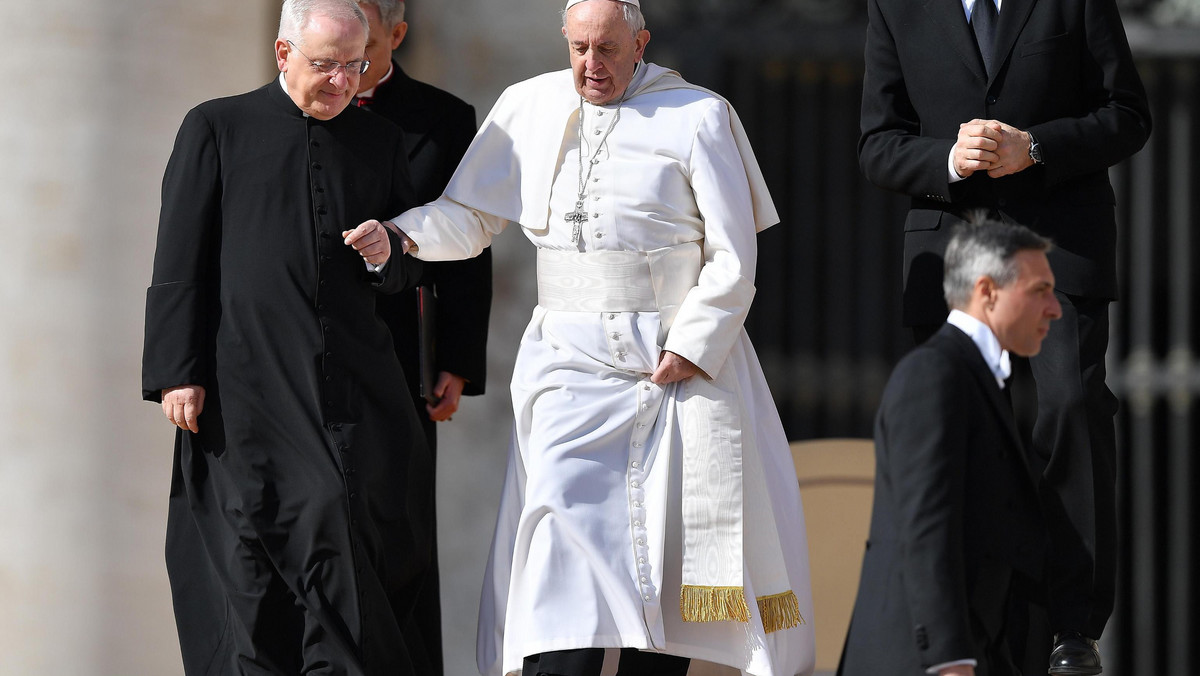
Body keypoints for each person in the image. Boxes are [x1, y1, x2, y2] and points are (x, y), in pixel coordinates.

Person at [359, 1, 816, 674]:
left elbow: (733, 256)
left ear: (641, 44)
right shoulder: (527, 105)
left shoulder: (698, 114)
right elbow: (470, 217)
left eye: (606, 50)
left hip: (671, 367)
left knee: (662, 564)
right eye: (578, 49)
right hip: (566, 369)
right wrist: (400, 235)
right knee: (559, 537)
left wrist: (691, 343)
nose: (590, 66)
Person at [858, 0, 1152, 669]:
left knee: (1070, 408)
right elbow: (877, 144)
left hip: (1058, 246)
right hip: (951, 256)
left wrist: (1036, 148)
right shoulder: (895, 7)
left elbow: (1129, 115)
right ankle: (958, 621)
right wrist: (950, 161)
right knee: (959, 435)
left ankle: (1073, 628)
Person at [141, 0, 432, 672]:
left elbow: (405, 272)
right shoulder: (215, 126)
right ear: (282, 55)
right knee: (248, 569)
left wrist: (389, 255)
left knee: (349, 551)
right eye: (324, 66)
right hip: (244, 384)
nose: (340, 83)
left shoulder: (380, 142)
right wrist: (176, 370)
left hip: (351, 389)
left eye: (354, 68)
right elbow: (179, 254)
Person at [839, 219, 1062, 676]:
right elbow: (925, 525)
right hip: (924, 662)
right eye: (1040, 289)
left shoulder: (977, 376)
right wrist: (950, 659)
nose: (1055, 309)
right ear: (988, 291)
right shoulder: (935, 373)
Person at [354, 2, 493, 673]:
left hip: (398, 356)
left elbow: (468, 249)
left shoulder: (443, 118)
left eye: (365, 42)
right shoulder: (289, 106)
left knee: (398, 539)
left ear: (396, 36)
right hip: (297, 352)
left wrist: (457, 361)